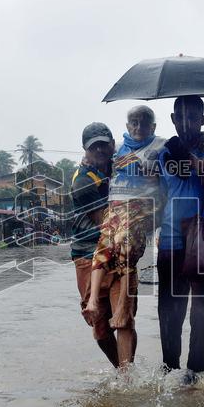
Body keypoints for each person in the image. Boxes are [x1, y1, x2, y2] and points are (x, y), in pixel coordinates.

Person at [157, 95, 204, 384]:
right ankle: (169, 375)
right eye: (181, 117)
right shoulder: (164, 154)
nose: (186, 123)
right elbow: (158, 199)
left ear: (203, 120)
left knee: (203, 314)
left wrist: (198, 166)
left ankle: (194, 377)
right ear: (173, 119)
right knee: (170, 315)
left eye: (192, 117)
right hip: (171, 243)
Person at [84, 106, 166, 369]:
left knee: (125, 239)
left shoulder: (161, 147)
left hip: (144, 207)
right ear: (127, 125)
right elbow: (94, 158)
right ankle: (93, 301)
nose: (138, 127)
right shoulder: (117, 148)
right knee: (105, 244)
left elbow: (178, 165)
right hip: (117, 208)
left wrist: (155, 173)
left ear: (153, 127)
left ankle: (121, 308)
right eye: (134, 122)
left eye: (144, 123)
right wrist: (85, 159)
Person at [70, 122, 136, 368]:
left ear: (112, 145)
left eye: (103, 145)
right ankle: (121, 370)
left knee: (124, 317)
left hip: (120, 250)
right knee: (99, 326)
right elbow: (105, 225)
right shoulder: (83, 181)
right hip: (89, 252)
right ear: (85, 150)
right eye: (93, 147)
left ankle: (127, 378)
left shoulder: (121, 166)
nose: (99, 150)